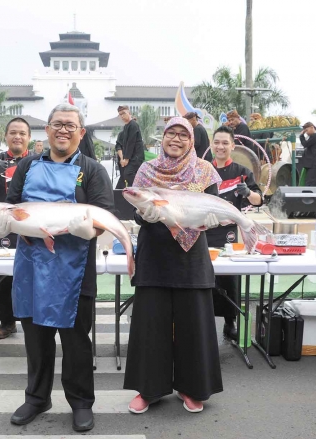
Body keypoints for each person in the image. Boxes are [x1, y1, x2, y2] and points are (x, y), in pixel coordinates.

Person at [0, 103, 114, 432]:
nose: (63, 130)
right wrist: (2, 224)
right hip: (31, 265)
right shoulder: (27, 165)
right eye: (57, 124)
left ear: (81, 132)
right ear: (47, 129)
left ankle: (81, 402)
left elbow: (102, 216)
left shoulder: (93, 169)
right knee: (36, 338)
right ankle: (37, 397)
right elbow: (13, 208)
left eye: (70, 125)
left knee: (76, 341)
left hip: (74, 268)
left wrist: (91, 229)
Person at [124, 116, 223, 415]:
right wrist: (145, 216)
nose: (176, 139)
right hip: (154, 255)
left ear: (192, 140)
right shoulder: (147, 170)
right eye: (171, 134)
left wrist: (211, 222)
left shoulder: (205, 171)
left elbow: (212, 210)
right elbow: (138, 209)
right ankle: (149, 389)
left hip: (191, 258)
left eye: (183, 134)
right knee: (151, 325)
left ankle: (192, 388)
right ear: (162, 138)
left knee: (194, 324)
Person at [205, 125, 263, 339]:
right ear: (212, 144)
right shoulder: (202, 171)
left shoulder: (242, 172)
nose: (220, 147)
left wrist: (248, 192)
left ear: (233, 146)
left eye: (225, 143)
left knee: (229, 280)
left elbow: (259, 200)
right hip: (203, 232)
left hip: (228, 235)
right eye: (217, 142)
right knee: (204, 278)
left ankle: (231, 321)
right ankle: (203, 323)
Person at [0, 117, 30, 339]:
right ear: (6, 136)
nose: (17, 136)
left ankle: (32, 320)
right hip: (3, 224)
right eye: (13, 132)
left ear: (28, 137)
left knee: (31, 268)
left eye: (22, 133)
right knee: (3, 271)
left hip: (30, 220)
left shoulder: (38, 159)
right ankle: (6, 321)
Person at [117, 105, 145, 187]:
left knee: (128, 174)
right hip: (131, 157)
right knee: (127, 175)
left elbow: (131, 142)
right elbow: (124, 144)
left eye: (123, 113)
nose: (122, 116)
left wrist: (126, 158)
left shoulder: (133, 124)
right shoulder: (126, 126)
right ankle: (134, 191)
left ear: (129, 113)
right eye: (120, 114)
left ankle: (140, 189)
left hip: (136, 156)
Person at [299, 122, 316, 186]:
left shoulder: (315, 136)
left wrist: (301, 136)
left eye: (307, 130)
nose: (306, 132)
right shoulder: (314, 136)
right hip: (312, 164)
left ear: (312, 127)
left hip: (314, 165)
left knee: (311, 183)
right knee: (310, 182)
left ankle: (311, 196)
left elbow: (305, 144)